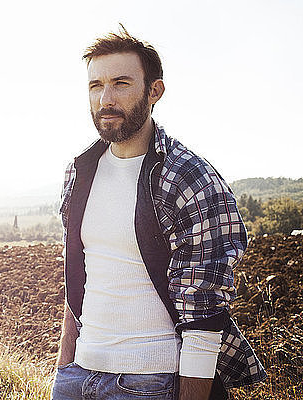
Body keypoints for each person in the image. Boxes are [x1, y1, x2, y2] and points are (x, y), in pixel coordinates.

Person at [52, 26, 266, 400]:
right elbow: (81, 280)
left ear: (155, 91)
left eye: (121, 83)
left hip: (149, 383)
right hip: (77, 377)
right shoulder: (80, 170)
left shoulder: (188, 176)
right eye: (95, 85)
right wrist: (64, 369)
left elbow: (205, 315)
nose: (105, 98)